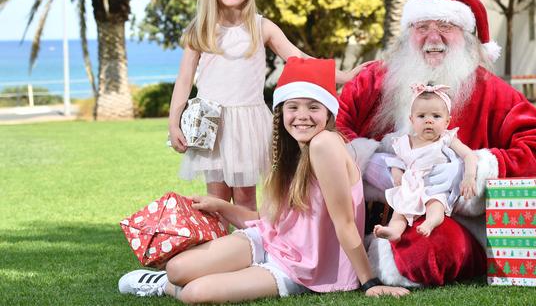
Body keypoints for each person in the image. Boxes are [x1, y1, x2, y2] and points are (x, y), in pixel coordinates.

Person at [119, 58, 409, 303]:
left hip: (302, 267)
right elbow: (272, 221)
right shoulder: (292, 151)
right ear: (281, 111)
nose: (302, 116)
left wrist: (369, 282)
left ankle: (163, 287)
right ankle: (166, 280)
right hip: (271, 241)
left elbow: (344, 222)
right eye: (293, 107)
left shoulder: (325, 144)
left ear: (328, 112)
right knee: (178, 268)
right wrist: (222, 205)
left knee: (195, 293)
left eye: (313, 107)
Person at [337, 0, 536, 286]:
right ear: (408, 35)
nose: (433, 38)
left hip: (448, 217)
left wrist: (473, 170)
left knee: (426, 251)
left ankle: (370, 259)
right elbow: (329, 129)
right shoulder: (372, 81)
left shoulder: (491, 91)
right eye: (422, 27)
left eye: (445, 25)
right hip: (366, 214)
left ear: (466, 36)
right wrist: (364, 165)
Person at [167, 0, 364, 214]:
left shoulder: (262, 27)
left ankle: (248, 251)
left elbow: (300, 59)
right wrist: (173, 122)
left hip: (247, 123)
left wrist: (344, 76)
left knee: (246, 198)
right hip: (209, 123)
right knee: (216, 199)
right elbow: (184, 80)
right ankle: (221, 253)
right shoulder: (200, 30)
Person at [373, 83, 477, 241]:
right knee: (400, 208)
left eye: (436, 116)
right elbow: (397, 160)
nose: (429, 121)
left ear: (447, 122)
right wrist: (396, 173)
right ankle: (395, 230)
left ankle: (430, 222)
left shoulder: (446, 139)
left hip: (435, 186)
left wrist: (469, 177)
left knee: (436, 204)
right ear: (412, 120)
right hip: (412, 186)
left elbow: (469, 155)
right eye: (422, 116)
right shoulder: (405, 142)